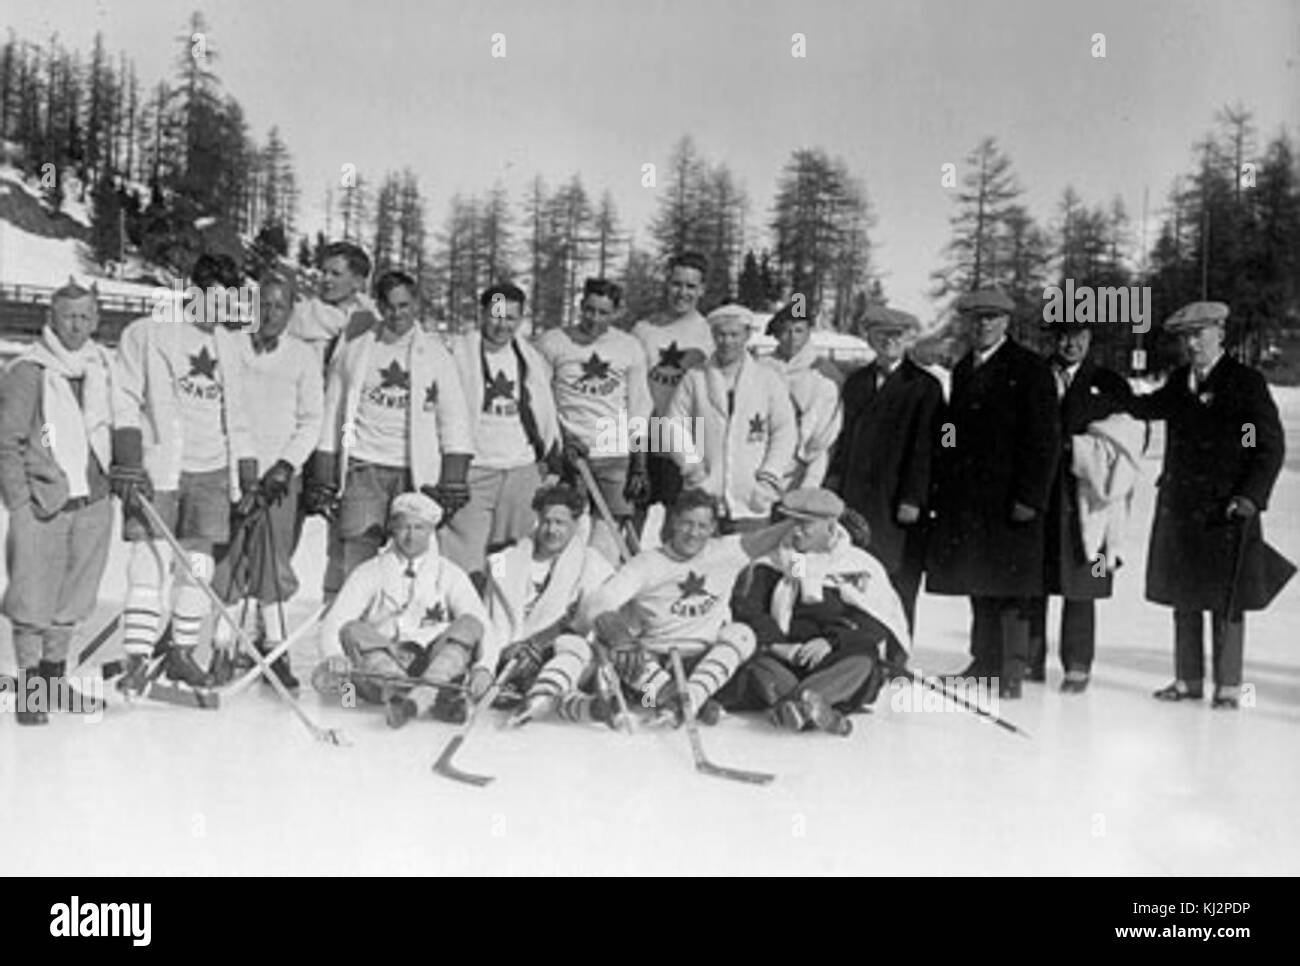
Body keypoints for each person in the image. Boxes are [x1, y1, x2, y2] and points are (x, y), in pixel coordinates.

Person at [1123, 302, 1289, 710]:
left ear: (1220, 334)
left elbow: (1265, 444)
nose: (1192, 344)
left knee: (1227, 599)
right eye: (1185, 337)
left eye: (1199, 334)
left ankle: (1229, 688)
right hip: (1182, 507)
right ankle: (1187, 680)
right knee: (1184, 597)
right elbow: (1149, 408)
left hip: (1228, 511)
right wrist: (1111, 388)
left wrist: (1250, 495)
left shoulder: (1245, 382)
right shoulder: (1181, 382)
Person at [110, 253, 260, 694]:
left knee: (198, 565)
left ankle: (180, 652)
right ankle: (136, 659)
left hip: (212, 471)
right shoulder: (148, 332)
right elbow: (124, 399)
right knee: (148, 563)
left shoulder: (230, 345)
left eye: (225, 297)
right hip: (160, 468)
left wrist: (248, 479)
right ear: (193, 289)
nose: (217, 304)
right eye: (210, 294)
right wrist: (129, 462)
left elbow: (241, 417)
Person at [304, 270, 474, 600]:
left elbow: (453, 420)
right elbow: (334, 415)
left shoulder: (437, 356)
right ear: (379, 307)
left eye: (405, 305)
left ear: (416, 305)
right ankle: (348, 628)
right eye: (390, 306)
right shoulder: (356, 350)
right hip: (363, 465)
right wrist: (325, 470)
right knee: (355, 555)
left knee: (412, 557)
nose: (398, 314)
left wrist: (454, 477)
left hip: (413, 472)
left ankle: (403, 627)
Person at [925, 289, 1060, 699]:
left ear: (1006, 322)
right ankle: (982, 661)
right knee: (978, 581)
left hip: (1011, 500)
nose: (983, 325)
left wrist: (1030, 497)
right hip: (970, 499)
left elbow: (1043, 439)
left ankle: (1012, 668)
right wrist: (944, 465)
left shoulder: (1030, 368)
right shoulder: (965, 368)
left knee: (1012, 588)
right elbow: (951, 430)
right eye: (976, 318)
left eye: (991, 318)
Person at [571, 488, 801, 725]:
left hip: (703, 665)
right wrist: (618, 635)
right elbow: (599, 602)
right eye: (687, 524)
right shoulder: (648, 563)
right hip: (657, 667)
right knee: (617, 655)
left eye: (702, 526)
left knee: (742, 635)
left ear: (713, 528)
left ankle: (688, 701)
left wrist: (801, 520)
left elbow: (775, 538)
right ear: (673, 523)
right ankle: (674, 702)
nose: (693, 533)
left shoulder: (727, 552)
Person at [0, 279, 116, 723]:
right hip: (43, 503)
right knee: (33, 598)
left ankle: (53, 684)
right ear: (50, 318)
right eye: (68, 316)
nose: (77, 325)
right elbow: (7, 441)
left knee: (74, 597)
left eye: (86, 316)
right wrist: (19, 504)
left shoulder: (102, 366)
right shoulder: (29, 372)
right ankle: (31, 691)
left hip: (93, 500)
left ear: (97, 319)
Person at [209, 271, 323, 689]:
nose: (270, 314)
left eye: (279, 306)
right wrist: (244, 470)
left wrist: (286, 465)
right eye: (264, 305)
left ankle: (275, 650)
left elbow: (312, 420)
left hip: (279, 478)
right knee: (229, 561)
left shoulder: (303, 358)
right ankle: (221, 646)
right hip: (236, 470)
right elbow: (228, 410)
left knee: (272, 563)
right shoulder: (232, 347)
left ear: (291, 311)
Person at [723, 489, 910, 735]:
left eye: (806, 524)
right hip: (787, 657)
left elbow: (876, 622)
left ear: (830, 526)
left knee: (862, 661)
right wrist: (779, 646)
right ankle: (816, 707)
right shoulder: (777, 562)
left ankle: (799, 704)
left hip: (834, 657)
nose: (796, 530)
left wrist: (830, 642)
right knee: (758, 663)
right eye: (793, 522)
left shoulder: (859, 566)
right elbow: (749, 611)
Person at [315, 491, 496, 727]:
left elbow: (483, 625)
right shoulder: (370, 571)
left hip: (434, 662)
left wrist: (485, 668)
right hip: (385, 664)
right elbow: (335, 621)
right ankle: (419, 695)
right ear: (392, 529)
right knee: (352, 630)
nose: (411, 536)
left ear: (431, 531)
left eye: (419, 528)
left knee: (470, 624)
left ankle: (418, 696)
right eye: (404, 527)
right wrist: (334, 657)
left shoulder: (449, 573)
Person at [1027, 318, 1136, 693]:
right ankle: (1029, 660)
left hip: (1088, 497)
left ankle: (1077, 664)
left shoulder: (1110, 384)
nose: (1070, 344)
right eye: (1063, 336)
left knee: (1082, 581)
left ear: (1090, 339)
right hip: (1040, 492)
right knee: (1032, 580)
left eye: (1078, 336)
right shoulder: (1034, 376)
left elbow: (1130, 438)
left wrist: (1086, 451)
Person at [827, 305, 943, 648]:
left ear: (908, 340)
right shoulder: (857, 383)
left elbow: (928, 448)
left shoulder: (925, 386)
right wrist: (835, 481)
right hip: (857, 497)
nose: (889, 342)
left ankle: (897, 653)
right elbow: (844, 437)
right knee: (856, 575)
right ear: (870, 339)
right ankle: (856, 650)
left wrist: (914, 498)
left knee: (899, 579)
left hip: (897, 501)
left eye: (897, 335)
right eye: (881, 335)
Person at [440, 282, 560, 584]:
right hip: (475, 468)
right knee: (463, 555)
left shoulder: (530, 358)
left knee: (511, 556)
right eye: (495, 315)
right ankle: (463, 619)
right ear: (482, 313)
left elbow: (544, 411)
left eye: (510, 317)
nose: (501, 324)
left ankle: (503, 617)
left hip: (520, 469)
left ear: (520, 320)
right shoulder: (456, 352)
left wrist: (551, 457)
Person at [537, 277, 652, 563]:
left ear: (616, 313)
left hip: (613, 454)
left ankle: (596, 597)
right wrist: (560, 440)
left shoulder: (629, 346)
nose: (594, 318)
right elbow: (539, 399)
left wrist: (639, 463)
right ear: (580, 306)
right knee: (563, 536)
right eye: (589, 310)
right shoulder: (553, 342)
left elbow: (639, 406)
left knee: (606, 544)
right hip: (570, 454)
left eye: (603, 312)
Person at [480, 483, 614, 725]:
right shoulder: (502, 560)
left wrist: (541, 643)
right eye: (546, 521)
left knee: (573, 646)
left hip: (560, 653)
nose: (551, 530)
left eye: (560, 523)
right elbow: (489, 615)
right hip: (509, 656)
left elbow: (590, 623)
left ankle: (539, 698)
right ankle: (578, 706)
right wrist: (505, 651)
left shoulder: (593, 564)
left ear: (575, 524)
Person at [665, 303, 797, 533]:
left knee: (748, 564)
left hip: (751, 496)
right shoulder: (695, 378)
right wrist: (691, 466)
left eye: (734, 334)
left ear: (747, 335)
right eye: (721, 334)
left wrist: (769, 476)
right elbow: (673, 424)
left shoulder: (768, 380)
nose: (727, 341)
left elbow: (785, 431)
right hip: (705, 494)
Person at [632, 251, 714, 505]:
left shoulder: (710, 334)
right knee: (632, 513)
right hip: (645, 439)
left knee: (679, 517)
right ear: (667, 284)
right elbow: (630, 389)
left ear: (702, 289)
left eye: (691, 286)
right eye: (676, 284)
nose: (682, 292)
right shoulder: (644, 329)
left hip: (686, 441)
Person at [765, 301, 842, 489]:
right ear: (776, 335)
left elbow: (824, 437)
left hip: (804, 466)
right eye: (785, 331)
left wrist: (811, 481)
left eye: (799, 331)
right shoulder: (761, 368)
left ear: (809, 333)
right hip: (763, 462)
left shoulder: (824, 375)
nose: (792, 338)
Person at [287, 240, 379, 367]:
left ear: (357, 281)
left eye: (336, 274)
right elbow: (253, 318)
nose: (326, 279)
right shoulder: (303, 313)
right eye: (324, 272)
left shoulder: (374, 322)